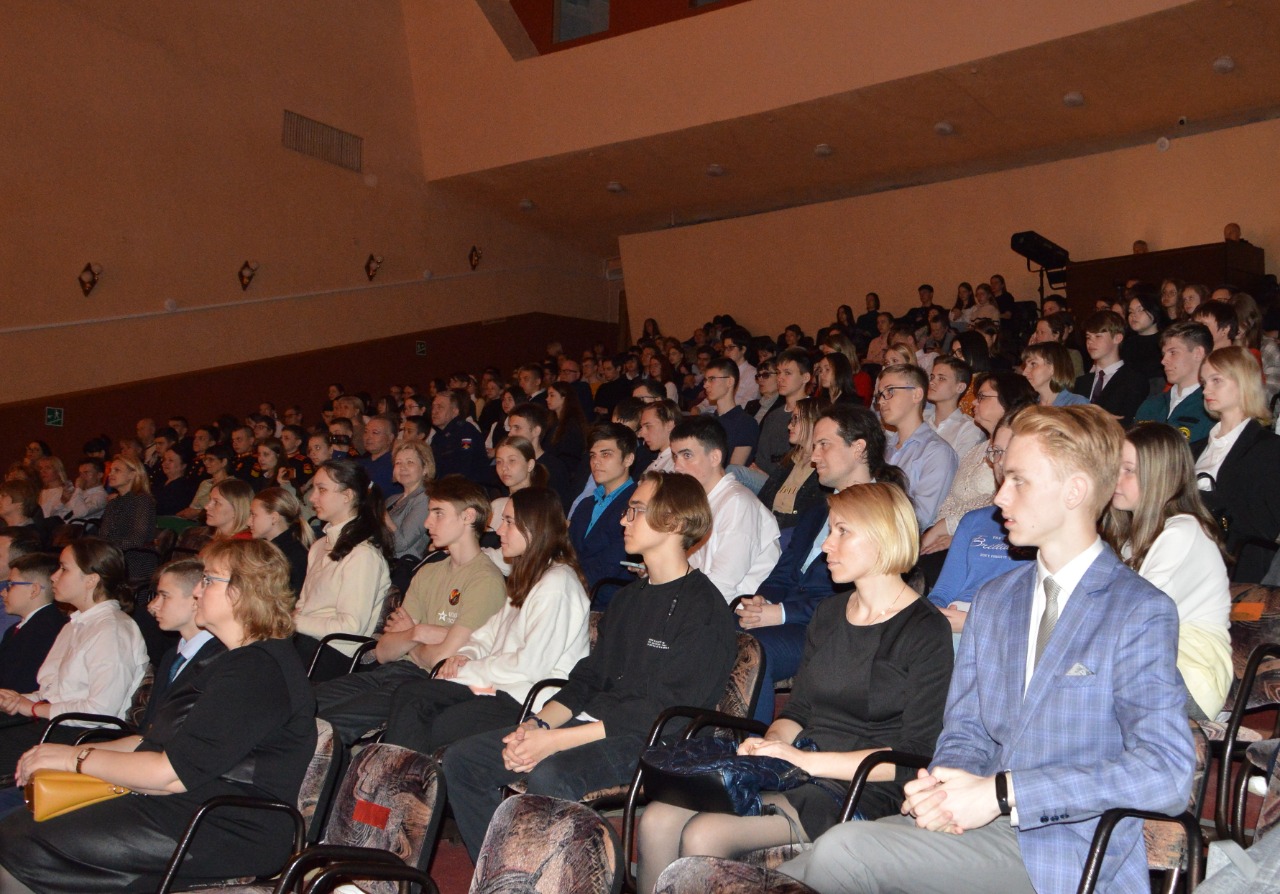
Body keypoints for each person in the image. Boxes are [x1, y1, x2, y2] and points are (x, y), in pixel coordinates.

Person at [778, 405, 1195, 894]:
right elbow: (966, 733)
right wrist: (946, 788)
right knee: (784, 877)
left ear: (1075, 490)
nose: (999, 495)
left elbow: (1166, 772)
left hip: (1067, 847)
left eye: (1019, 480)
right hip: (977, 829)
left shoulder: (1137, 609)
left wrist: (1003, 793)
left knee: (841, 852)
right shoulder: (997, 601)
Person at [638, 483, 953, 893]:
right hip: (800, 766)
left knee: (705, 833)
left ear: (882, 537)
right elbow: (798, 711)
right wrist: (768, 747)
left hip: (862, 787)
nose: (826, 546)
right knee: (657, 818)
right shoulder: (829, 613)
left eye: (842, 532)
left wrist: (801, 761)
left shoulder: (925, 629)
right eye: (829, 532)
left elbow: (912, 758)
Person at [442, 471, 738, 861]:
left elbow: (660, 712)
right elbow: (588, 677)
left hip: (655, 741)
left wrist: (552, 742)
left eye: (635, 510)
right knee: (464, 761)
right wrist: (537, 726)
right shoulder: (629, 598)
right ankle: (504, 873)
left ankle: (568, 876)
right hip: (594, 724)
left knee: (550, 772)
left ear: (676, 523)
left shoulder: (704, 609)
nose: (622, 519)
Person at [0, 539, 317, 894]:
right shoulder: (231, 661)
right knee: (21, 826)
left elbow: (169, 775)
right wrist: (59, 756)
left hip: (223, 826)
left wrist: (75, 757)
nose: (196, 590)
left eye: (209, 580)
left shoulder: (259, 670)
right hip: (188, 808)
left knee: (22, 841)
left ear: (241, 593)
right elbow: (149, 739)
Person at [381, 488, 591, 753]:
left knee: (434, 724)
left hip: (527, 698)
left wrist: (470, 669)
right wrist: (465, 655)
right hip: (498, 685)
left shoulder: (558, 584)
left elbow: (530, 668)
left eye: (509, 522)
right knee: (410, 695)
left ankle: (401, 788)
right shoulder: (530, 576)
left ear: (536, 527)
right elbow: (488, 633)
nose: (499, 531)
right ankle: (390, 789)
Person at [737, 404, 907, 725]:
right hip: (792, 621)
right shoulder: (818, 511)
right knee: (713, 632)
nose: (813, 456)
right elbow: (784, 570)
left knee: (753, 650)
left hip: (838, 630)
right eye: (814, 445)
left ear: (858, 448)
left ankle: (749, 752)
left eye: (823, 444)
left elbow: (861, 592)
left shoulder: (883, 510)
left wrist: (782, 612)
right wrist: (762, 600)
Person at [1102, 424, 1232, 720]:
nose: (1115, 479)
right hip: (1150, 666)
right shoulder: (1132, 539)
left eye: (1129, 470)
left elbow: (1131, 616)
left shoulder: (1183, 532)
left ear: (1159, 475)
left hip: (1191, 677)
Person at [0, 539, 148, 778]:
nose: (54, 577)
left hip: (82, 734)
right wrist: (19, 700)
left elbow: (101, 711)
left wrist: (35, 708)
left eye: (64, 569)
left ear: (91, 579)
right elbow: (54, 691)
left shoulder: (111, 629)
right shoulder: (77, 623)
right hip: (58, 724)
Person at [928, 410, 1037, 645]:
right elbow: (944, 590)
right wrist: (933, 618)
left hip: (1000, 631)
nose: (999, 462)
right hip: (952, 617)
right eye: (996, 451)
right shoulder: (975, 520)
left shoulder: (1043, 527)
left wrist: (971, 622)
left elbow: (1035, 614)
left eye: (1008, 452)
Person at [293, 458, 392, 681]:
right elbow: (303, 606)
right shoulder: (319, 546)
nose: (312, 498)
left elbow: (350, 627)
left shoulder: (363, 555)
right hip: (306, 643)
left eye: (322, 490)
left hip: (332, 654)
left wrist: (293, 621)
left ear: (347, 496)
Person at [671, 416, 781, 601]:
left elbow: (723, 584)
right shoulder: (700, 501)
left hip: (730, 611)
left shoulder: (738, 504)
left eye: (687, 455)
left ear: (715, 457)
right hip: (698, 600)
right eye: (675, 456)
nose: (677, 466)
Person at [1194, 346, 1280, 582]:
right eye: (1204, 382)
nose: (1206, 390)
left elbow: (1267, 523)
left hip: (1238, 568)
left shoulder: (1269, 449)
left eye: (1216, 380)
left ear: (1243, 382)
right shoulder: (1194, 448)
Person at [138, 559, 225, 731]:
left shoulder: (218, 659)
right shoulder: (172, 656)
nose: (153, 605)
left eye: (164, 596)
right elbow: (147, 729)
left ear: (195, 599)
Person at [876, 364, 958, 530]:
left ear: (916, 394)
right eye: (880, 395)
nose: (881, 401)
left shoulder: (937, 452)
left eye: (890, 391)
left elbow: (919, 518)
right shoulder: (884, 448)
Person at [568, 424, 638, 610]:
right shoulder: (585, 505)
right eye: (593, 455)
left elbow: (613, 564)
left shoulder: (637, 504)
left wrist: (564, 582)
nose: (596, 462)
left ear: (628, 459)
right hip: (574, 591)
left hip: (610, 599)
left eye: (606, 454)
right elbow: (567, 551)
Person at [1134, 320, 1214, 443]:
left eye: (1173, 352)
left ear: (1198, 353)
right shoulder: (1151, 405)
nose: (1163, 361)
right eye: (1163, 354)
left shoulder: (1212, 408)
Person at [0, 554, 67, 694]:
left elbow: (22, 685)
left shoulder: (48, 630)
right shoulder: (17, 628)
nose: (3, 592)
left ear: (34, 590)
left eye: (11, 585)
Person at [757, 397, 826, 531]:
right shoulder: (791, 459)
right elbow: (762, 499)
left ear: (813, 422)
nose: (789, 426)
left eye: (795, 419)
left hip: (788, 534)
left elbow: (808, 523)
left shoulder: (823, 468)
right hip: (769, 527)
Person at [1071, 310, 1150, 426]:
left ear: (1117, 338)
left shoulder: (1134, 380)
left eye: (1098, 336)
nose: (1090, 342)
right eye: (1088, 337)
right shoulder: (1082, 382)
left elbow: (1125, 421)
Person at [754, 348, 813, 479]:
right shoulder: (773, 416)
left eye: (787, 373)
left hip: (792, 480)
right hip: (766, 478)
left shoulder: (813, 413)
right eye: (778, 373)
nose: (780, 378)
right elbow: (761, 457)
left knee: (735, 472)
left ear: (805, 377)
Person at [99, 455, 158, 580]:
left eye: (117, 470)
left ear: (132, 474)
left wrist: (108, 549)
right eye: (110, 470)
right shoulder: (114, 502)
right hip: (115, 556)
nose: (110, 474)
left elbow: (137, 540)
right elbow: (104, 534)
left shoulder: (142, 500)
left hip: (137, 559)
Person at [248, 487, 313, 597]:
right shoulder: (271, 548)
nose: (248, 522)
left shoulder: (293, 556)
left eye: (254, 515)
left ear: (274, 518)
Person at [384, 438, 435, 570]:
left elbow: (401, 543)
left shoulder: (425, 499)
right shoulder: (391, 499)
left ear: (425, 468)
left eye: (410, 462)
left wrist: (383, 516)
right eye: (398, 463)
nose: (402, 467)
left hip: (401, 568)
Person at [700, 358, 759, 467]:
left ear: (729, 381)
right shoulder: (708, 421)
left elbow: (734, 472)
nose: (705, 385)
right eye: (705, 380)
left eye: (712, 379)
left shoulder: (746, 423)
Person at [924, 357, 985, 456]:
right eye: (932, 377)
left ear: (960, 387)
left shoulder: (969, 429)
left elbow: (958, 468)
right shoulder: (922, 422)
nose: (931, 382)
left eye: (941, 378)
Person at [176, 444, 234, 522]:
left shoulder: (231, 484)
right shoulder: (205, 483)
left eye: (211, 459)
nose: (206, 463)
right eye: (205, 459)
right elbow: (193, 507)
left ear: (223, 462)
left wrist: (198, 512)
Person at [1020, 342, 1088, 408]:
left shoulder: (1077, 405)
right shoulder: (1027, 407)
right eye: (1026, 365)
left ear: (1053, 368)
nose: (1024, 373)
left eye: (1033, 364)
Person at [546, 382, 588, 471]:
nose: (547, 399)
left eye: (552, 395)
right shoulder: (552, 422)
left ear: (564, 398)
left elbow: (569, 456)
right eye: (548, 395)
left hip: (563, 470)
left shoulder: (572, 424)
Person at [56, 457, 108, 523]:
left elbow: (80, 513)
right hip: (63, 527)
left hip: (79, 530)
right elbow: (59, 514)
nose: (82, 477)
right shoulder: (80, 492)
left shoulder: (101, 496)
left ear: (99, 475)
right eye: (80, 473)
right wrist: (63, 501)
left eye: (86, 473)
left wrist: (78, 489)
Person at [152, 444, 199, 516]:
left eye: (170, 460)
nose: (165, 463)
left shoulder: (185, 487)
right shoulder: (160, 482)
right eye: (164, 459)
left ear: (183, 466)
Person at [638, 400, 679, 474]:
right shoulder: (655, 462)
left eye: (648, 426)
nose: (642, 434)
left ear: (669, 425)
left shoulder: (677, 465)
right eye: (642, 427)